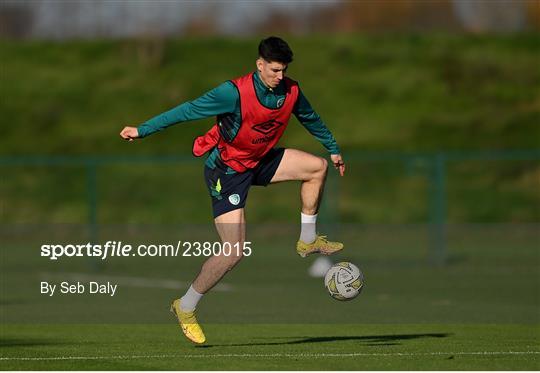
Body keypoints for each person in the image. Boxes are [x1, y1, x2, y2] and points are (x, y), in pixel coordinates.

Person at [120, 36, 346, 344]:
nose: (280, 77)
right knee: (233, 252)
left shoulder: (291, 90)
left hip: (260, 160)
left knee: (317, 168)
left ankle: (307, 240)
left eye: (284, 71)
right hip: (227, 171)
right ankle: (185, 307)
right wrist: (143, 129)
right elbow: (188, 110)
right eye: (275, 70)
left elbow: (310, 117)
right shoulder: (234, 92)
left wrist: (333, 148)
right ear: (260, 65)